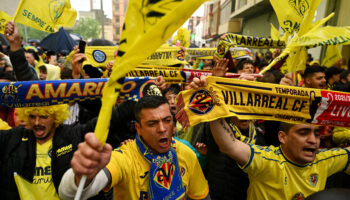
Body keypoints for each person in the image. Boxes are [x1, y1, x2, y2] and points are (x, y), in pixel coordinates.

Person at [190, 75, 350, 199]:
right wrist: (209, 101)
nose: (313, 140)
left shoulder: (324, 161)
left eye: (316, 133)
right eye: (303, 133)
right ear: (282, 137)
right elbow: (229, 146)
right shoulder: (267, 160)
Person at [58, 96, 209, 200]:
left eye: (167, 120)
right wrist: (81, 175)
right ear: (138, 128)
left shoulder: (186, 153)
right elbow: (70, 194)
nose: (162, 129)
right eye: (152, 123)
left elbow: (201, 196)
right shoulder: (124, 157)